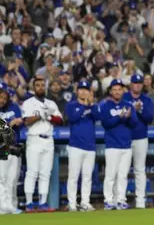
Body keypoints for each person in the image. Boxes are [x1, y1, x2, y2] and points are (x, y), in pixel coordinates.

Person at [21, 77, 63, 212]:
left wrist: (49, 116)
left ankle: (43, 203)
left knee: (45, 173)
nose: (40, 87)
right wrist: (41, 116)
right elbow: (27, 121)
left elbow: (60, 120)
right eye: (37, 85)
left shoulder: (51, 103)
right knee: (32, 172)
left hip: (49, 139)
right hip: (34, 139)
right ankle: (29, 203)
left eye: (42, 85)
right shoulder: (28, 103)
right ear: (34, 88)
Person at [100, 79, 140, 210]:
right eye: (115, 89)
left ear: (123, 91)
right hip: (112, 145)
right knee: (111, 175)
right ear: (111, 91)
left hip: (126, 145)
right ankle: (108, 200)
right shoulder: (106, 105)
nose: (117, 92)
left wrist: (128, 117)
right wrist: (120, 117)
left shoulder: (128, 105)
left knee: (123, 175)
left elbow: (134, 123)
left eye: (119, 89)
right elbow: (106, 124)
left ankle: (121, 199)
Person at [64, 80, 100, 211]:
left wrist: (91, 104)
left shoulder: (92, 106)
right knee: (73, 176)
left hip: (90, 146)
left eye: (86, 89)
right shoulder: (71, 105)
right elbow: (72, 118)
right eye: (81, 89)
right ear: (77, 91)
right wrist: (84, 105)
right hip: (75, 145)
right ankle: (72, 203)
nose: (84, 92)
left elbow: (98, 116)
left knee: (87, 177)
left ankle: (85, 202)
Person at [123, 74, 154, 209]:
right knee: (122, 170)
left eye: (139, 83)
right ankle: (120, 199)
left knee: (139, 169)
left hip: (141, 137)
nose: (137, 85)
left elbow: (149, 118)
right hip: (125, 137)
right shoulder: (124, 98)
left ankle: (140, 200)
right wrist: (131, 111)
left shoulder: (146, 100)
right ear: (131, 84)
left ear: (142, 85)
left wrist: (139, 110)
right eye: (135, 82)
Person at [0, 83, 23, 214]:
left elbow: (20, 121)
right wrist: (10, 124)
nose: (2, 99)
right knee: (2, 178)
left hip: (14, 147)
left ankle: (10, 205)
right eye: (0, 96)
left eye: (4, 97)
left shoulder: (14, 107)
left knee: (12, 179)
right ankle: (4, 206)